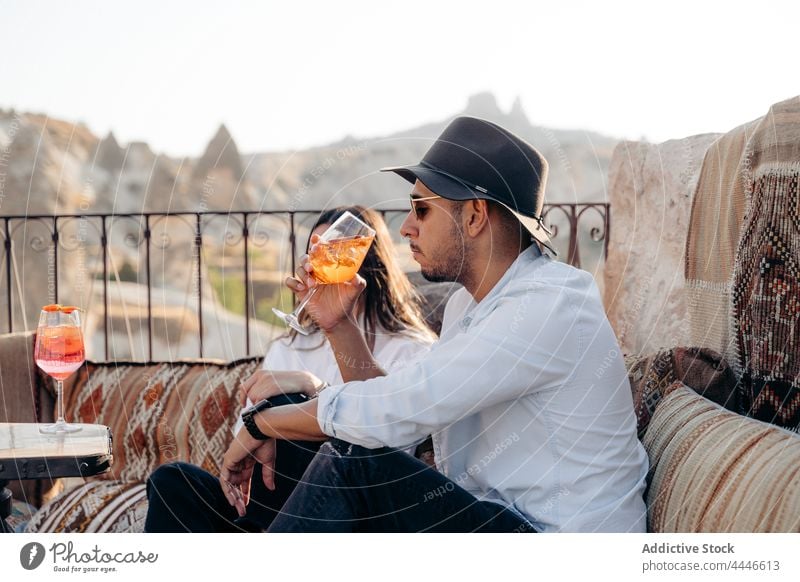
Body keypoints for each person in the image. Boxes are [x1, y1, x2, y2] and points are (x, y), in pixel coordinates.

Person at [217, 116, 649, 533]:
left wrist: (264, 422)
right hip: (497, 522)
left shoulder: (548, 305)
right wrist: (340, 326)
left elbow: (403, 408)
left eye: (421, 210)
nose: (405, 228)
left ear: (475, 216)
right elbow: (403, 414)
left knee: (353, 461)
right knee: (177, 486)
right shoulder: (468, 305)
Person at [144, 206, 435, 532]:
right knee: (172, 482)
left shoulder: (412, 348)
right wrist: (268, 425)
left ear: (368, 259)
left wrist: (308, 391)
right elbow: (248, 424)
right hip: (267, 498)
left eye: (335, 244)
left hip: (340, 505)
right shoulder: (291, 345)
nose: (320, 254)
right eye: (316, 245)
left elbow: (394, 444)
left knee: (288, 401)